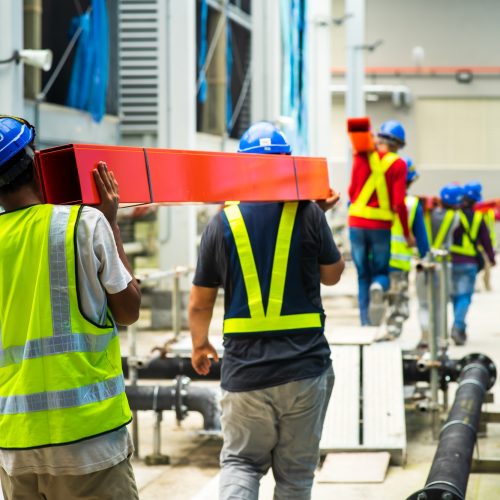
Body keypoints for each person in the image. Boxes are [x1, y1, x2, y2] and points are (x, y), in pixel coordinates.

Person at [188, 121, 344, 500]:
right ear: (287, 163)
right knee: (295, 477)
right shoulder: (308, 213)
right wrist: (321, 219)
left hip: (246, 374)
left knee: (241, 465)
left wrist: (200, 344)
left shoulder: (222, 222)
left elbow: (200, 300)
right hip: (304, 370)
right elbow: (332, 276)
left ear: (242, 166)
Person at [0, 115, 141, 499]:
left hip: (15, 445)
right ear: (35, 164)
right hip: (88, 439)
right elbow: (129, 310)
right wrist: (111, 225)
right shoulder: (83, 224)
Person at [348, 119, 415, 326]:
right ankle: (378, 285)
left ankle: (364, 322)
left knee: (362, 275)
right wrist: (406, 233)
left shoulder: (362, 156)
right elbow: (398, 203)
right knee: (380, 272)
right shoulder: (399, 164)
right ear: (399, 145)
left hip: (357, 224)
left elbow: (351, 191)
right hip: (380, 227)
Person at [386, 157, 430, 339]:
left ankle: (369, 326)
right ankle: (392, 332)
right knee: (398, 302)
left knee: (378, 297)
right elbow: (421, 237)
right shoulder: (412, 204)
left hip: (375, 259)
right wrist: (425, 257)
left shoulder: (377, 199)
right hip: (398, 263)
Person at [449, 181, 496, 345]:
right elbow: (486, 240)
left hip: (451, 261)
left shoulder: (452, 215)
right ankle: (458, 325)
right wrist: (491, 258)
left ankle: (458, 325)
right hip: (469, 263)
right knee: (464, 297)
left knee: (455, 296)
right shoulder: (478, 218)